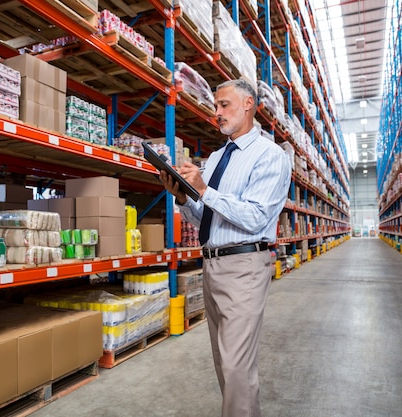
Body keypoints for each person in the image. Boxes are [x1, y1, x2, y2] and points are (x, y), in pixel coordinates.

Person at [159, 78, 292, 417]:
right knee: (225, 362)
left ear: (249, 104)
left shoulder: (270, 156)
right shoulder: (218, 157)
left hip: (244, 267)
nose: (216, 112)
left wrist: (204, 190)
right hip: (212, 265)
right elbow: (207, 216)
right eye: (215, 106)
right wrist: (183, 195)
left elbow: (255, 215)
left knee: (235, 366)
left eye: (224, 105)